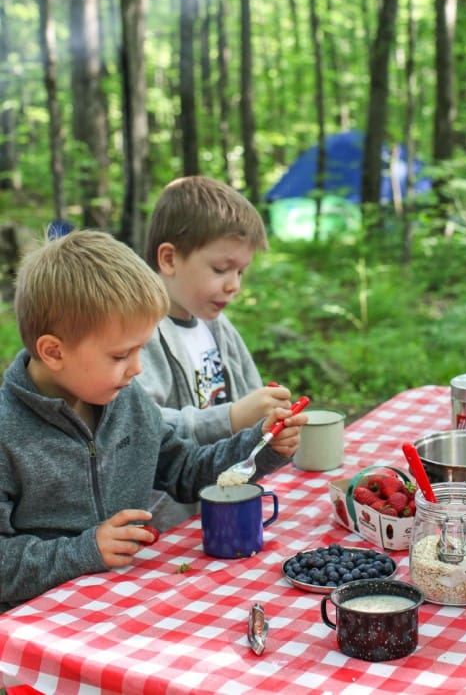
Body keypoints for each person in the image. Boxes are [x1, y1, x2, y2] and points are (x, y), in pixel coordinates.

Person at [0, 229, 306, 612]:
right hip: (36, 626)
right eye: (119, 356)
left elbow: (186, 470)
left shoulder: (126, 402)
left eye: (140, 349)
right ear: (53, 351)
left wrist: (259, 448)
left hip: (124, 604)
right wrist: (85, 550)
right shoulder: (7, 434)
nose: (137, 368)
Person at [137, 175, 292, 530]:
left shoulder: (215, 324)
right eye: (221, 269)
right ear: (169, 259)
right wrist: (231, 418)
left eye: (240, 271)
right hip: (168, 524)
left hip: (227, 501)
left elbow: (251, 396)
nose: (233, 284)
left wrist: (270, 421)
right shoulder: (139, 336)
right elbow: (143, 426)